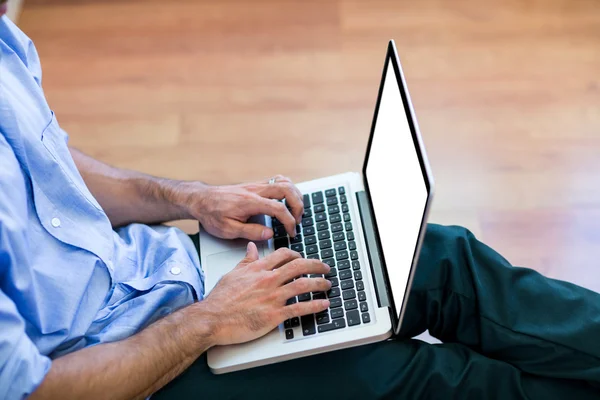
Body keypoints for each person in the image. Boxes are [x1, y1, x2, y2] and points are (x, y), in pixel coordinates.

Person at [1, 9, 599, 400]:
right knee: (433, 382)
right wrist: (209, 321)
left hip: (159, 272)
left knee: (442, 259)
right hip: (138, 372)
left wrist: (186, 197)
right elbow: (39, 392)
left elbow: (51, 169)